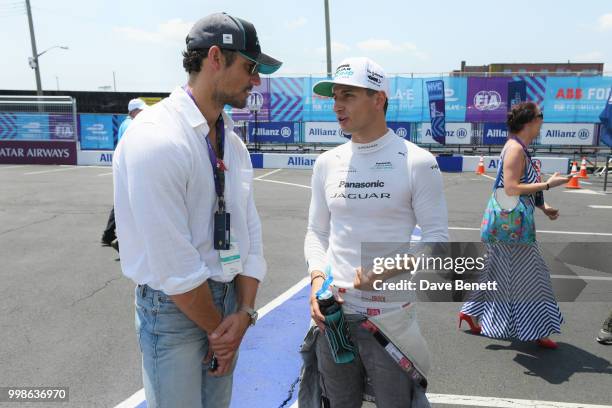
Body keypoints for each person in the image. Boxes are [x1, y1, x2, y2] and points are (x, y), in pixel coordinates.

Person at [112, 12, 281, 408]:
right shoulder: (156, 137)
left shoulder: (231, 142)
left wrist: (244, 313)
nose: (257, 79)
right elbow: (173, 263)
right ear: (216, 58)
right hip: (175, 309)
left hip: (226, 308)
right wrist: (223, 332)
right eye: (251, 67)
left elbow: (248, 232)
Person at [302, 57, 449, 407]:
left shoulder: (417, 161)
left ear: (379, 98)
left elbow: (437, 243)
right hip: (333, 316)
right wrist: (315, 279)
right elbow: (316, 233)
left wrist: (384, 269)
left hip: (389, 319)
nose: (337, 105)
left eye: (348, 95)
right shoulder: (326, 162)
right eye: (335, 96)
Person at [459, 102, 571, 349]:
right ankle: (537, 329)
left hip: (506, 227)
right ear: (530, 121)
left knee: (495, 272)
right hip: (512, 229)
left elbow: (521, 184)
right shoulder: (515, 149)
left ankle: (469, 311)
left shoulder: (519, 147)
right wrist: (548, 185)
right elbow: (510, 188)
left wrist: (543, 206)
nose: (543, 121)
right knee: (533, 277)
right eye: (541, 116)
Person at [101, 98, 146, 250]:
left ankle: (109, 236)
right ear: (133, 111)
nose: (143, 113)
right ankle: (120, 240)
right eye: (141, 110)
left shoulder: (124, 124)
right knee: (134, 204)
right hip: (131, 167)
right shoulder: (132, 124)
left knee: (123, 203)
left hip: (126, 167)